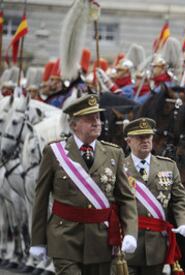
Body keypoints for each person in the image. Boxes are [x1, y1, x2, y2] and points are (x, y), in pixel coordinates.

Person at [30, 94, 138, 275]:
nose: (97, 122)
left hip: (101, 240)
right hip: (64, 238)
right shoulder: (54, 153)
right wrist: (37, 241)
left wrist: (130, 233)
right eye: (89, 119)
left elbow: (126, 199)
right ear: (74, 125)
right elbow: (40, 200)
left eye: (98, 117)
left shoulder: (114, 153)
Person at [124, 118, 185, 275]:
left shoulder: (168, 166)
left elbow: (180, 199)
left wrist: (184, 222)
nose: (145, 141)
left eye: (148, 136)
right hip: (128, 240)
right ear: (129, 141)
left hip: (156, 243)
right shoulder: (119, 167)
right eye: (140, 137)